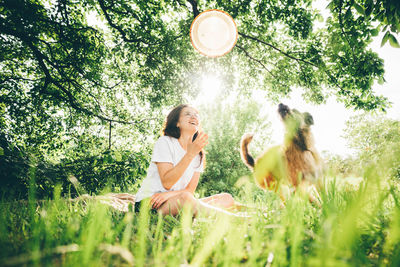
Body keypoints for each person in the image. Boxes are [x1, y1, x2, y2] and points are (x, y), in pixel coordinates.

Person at [134, 104, 240, 216]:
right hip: (150, 202)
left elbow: (190, 190)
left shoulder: (198, 154)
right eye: (188, 114)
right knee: (185, 199)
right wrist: (190, 154)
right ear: (177, 123)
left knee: (226, 198)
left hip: (176, 200)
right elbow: (167, 183)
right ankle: (235, 218)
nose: (194, 117)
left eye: (196, 115)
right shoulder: (165, 142)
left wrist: (168, 195)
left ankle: (198, 210)